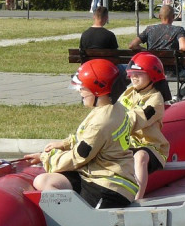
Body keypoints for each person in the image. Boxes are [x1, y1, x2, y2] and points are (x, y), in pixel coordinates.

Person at [23, 59, 138, 209]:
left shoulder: (101, 122)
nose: (79, 91)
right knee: (43, 181)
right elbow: (89, 139)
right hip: (101, 176)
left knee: (44, 182)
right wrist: (65, 144)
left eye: (83, 88)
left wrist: (46, 158)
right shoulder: (113, 108)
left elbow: (79, 156)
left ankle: (72, 219)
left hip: (109, 187)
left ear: (98, 90)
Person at [119, 53, 170, 200]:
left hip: (151, 146)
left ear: (153, 76)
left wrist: (114, 124)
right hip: (128, 143)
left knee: (140, 156)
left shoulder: (155, 100)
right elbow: (116, 110)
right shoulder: (129, 93)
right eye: (132, 73)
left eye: (139, 74)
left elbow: (137, 119)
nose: (133, 77)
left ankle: (137, 199)